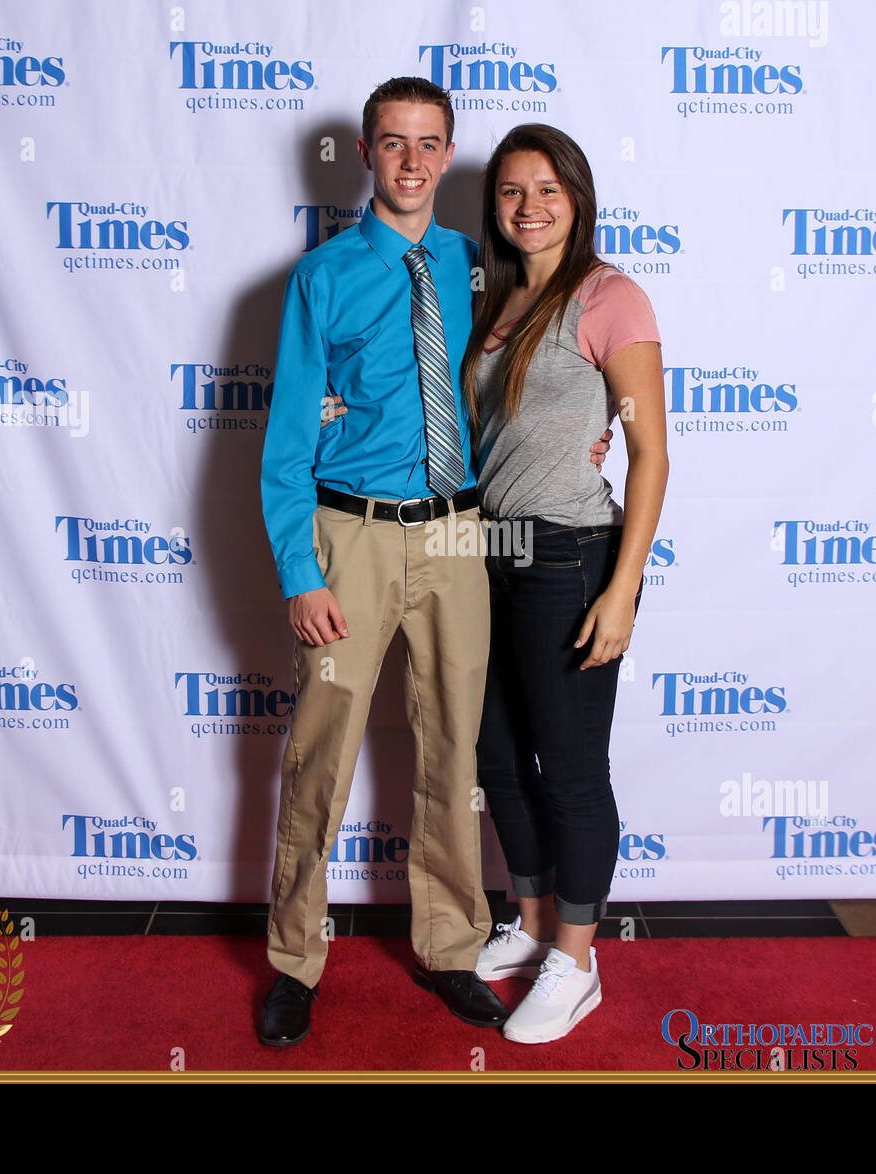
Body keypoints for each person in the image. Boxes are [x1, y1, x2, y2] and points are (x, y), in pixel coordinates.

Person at [257, 80, 610, 1048]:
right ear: (367, 155)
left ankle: (451, 945)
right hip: (352, 534)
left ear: (448, 153)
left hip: (461, 532)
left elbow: (535, 372)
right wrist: (301, 570)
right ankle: (295, 956)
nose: (412, 161)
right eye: (394, 143)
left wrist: (594, 431)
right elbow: (286, 438)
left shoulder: (477, 266)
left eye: (430, 144)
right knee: (322, 754)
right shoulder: (321, 276)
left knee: (456, 751)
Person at [461, 124, 669, 1044]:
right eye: (512, 191)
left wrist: (622, 588)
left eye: (547, 188)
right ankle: (535, 918)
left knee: (574, 773)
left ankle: (577, 963)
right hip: (489, 552)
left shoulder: (609, 296)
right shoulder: (496, 301)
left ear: (577, 197)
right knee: (495, 758)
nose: (530, 206)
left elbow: (650, 453)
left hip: (572, 555)